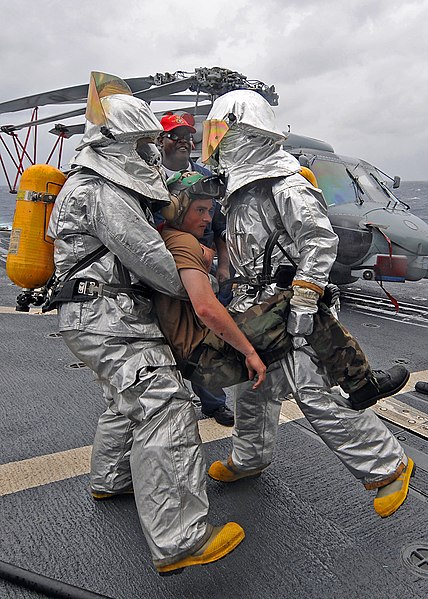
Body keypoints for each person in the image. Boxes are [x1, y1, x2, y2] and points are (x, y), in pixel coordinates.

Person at [46, 73, 244, 575]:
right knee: (166, 405)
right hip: (107, 316)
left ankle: (110, 477)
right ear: (121, 145)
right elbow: (156, 264)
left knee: (125, 398)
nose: (154, 154)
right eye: (146, 144)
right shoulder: (102, 191)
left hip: (98, 316)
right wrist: (197, 270)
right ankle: (180, 539)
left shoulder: (94, 186)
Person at [201, 89, 414, 518]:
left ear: (247, 133)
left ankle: (388, 466)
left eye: (224, 133)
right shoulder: (244, 187)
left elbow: (319, 239)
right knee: (251, 389)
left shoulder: (286, 183)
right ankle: (250, 458)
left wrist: (304, 301)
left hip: (289, 305)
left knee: (314, 395)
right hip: (257, 308)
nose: (218, 144)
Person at [155, 171, 409, 410]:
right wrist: (249, 352)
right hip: (207, 358)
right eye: (200, 210)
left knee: (284, 308)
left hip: (198, 356)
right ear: (174, 209)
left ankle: (249, 454)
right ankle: (362, 383)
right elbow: (205, 308)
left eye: (210, 211)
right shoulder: (184, 242)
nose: (208, 219)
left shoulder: (165, 236)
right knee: (298, 302)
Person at [155, 112, 234, 426]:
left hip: (201, 269)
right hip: (159, 268)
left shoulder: (204, 177)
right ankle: (166, 404)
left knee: (205, 337)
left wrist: (223, 267)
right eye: (176, 135)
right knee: (161, 338)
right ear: (160, 141)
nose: (185, 141)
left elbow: (219, 229)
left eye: (189, 135)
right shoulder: (149, 178)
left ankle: (214, 403)